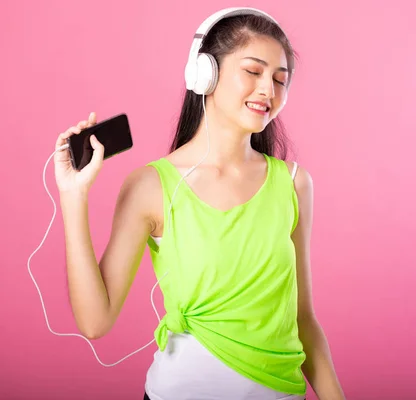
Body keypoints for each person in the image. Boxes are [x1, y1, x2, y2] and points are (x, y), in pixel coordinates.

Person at [52, 7, 345, 400]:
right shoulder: (150, 186)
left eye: (280, 80)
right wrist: (73, 197)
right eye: (253, 72)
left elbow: (304, 320)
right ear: (204, 73)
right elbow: (94, 321)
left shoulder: (294, 184)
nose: (268, 91)